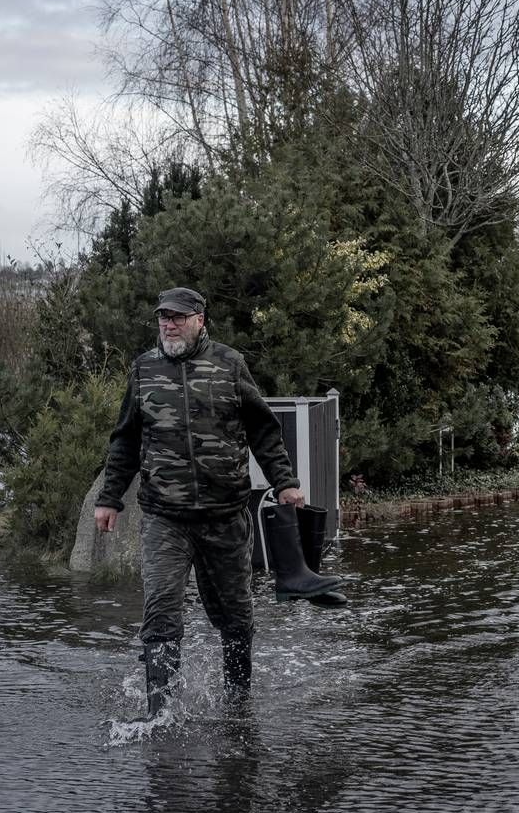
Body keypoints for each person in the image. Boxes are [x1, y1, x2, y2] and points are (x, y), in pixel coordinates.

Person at [94, 286, 340, 717]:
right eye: (163, 317)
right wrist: (109, 498)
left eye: (178, 317)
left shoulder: (230, 365)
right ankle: (161, 712)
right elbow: (126, 439)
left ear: (199, 320)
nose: (168, 324)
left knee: (236, 618)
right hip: (163, 518)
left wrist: (284, 481)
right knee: (161, 613)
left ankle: (237, 703)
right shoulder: (144, 369)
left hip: (225, 516)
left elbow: (263, 429)